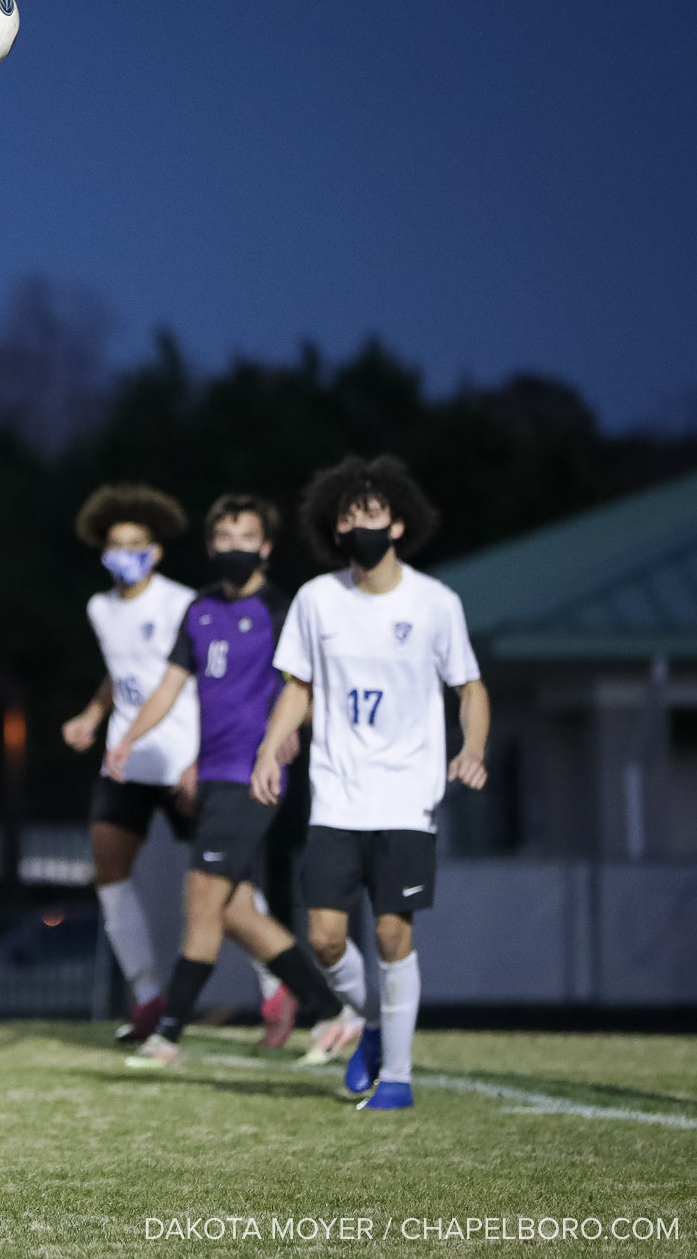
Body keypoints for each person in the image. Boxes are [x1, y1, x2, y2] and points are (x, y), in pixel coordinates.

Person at [251, 456, 488, 1111]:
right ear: (333, 526)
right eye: (348, 517)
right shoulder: (317, 600)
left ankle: (399, 1077)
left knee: (391, 935)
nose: (359, 526)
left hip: (406, 795)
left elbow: (470, 687)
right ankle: (377, 1024)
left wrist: (473, 746)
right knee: (325, 936)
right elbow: (297, 688)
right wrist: (271, 748)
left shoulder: (435, 602)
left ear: (398, 523)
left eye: (371, 516)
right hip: (336, 793)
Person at [107, 494, 357, 1069]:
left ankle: (167, 1036)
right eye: (225, 538)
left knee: (201, 900)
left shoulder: (280, 609)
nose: (234, 548)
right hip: (214, 774)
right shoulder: (198, 610)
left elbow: (310, 686)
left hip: (255, 776)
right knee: (236, 912)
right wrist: (127, 740)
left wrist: (290, 734)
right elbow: (169, 688)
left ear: (265, 547)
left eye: (247, 538)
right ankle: (330, 1012)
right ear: (212, 545)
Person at [60, 483, 211, 1042]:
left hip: (181, 755)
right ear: (104, 551)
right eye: (118, 544)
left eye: (138, 543)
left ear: (157, 550)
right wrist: (91, 717)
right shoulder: (99, 608)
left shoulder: (180, 602)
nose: (128, 553)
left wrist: (206, 752)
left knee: (225, 880)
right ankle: (147, 996)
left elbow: (181, 678)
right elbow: (119, 673)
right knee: (108, 869)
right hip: (125, 758)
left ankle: (277, 989)